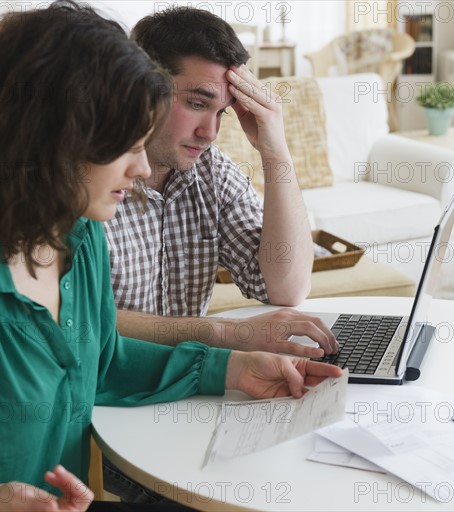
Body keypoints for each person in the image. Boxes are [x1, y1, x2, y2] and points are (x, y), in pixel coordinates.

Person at [0, 2, 343, 510]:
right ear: (55, 135)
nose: (140, 168)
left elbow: (106, 361)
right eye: (125, 144)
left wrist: (234, 368)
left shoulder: (81, 238)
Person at [103, 6, 340, 359]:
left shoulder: (211, 171)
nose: (210, 133)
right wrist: (226, 333)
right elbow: (79, 323)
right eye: (198, 103)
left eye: (222, 113)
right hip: (109, 394)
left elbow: (287, 289)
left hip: (190, 386)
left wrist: (275, 152)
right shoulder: (91, 182)